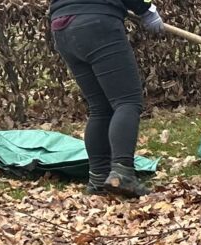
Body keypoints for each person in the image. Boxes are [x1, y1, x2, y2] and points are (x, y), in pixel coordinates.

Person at [49, 0, 164, 197]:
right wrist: (146, 9)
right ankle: (123, 173)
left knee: (100, 107)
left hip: (62, 25)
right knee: (127, 101)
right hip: (96, 22)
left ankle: (98, 178)